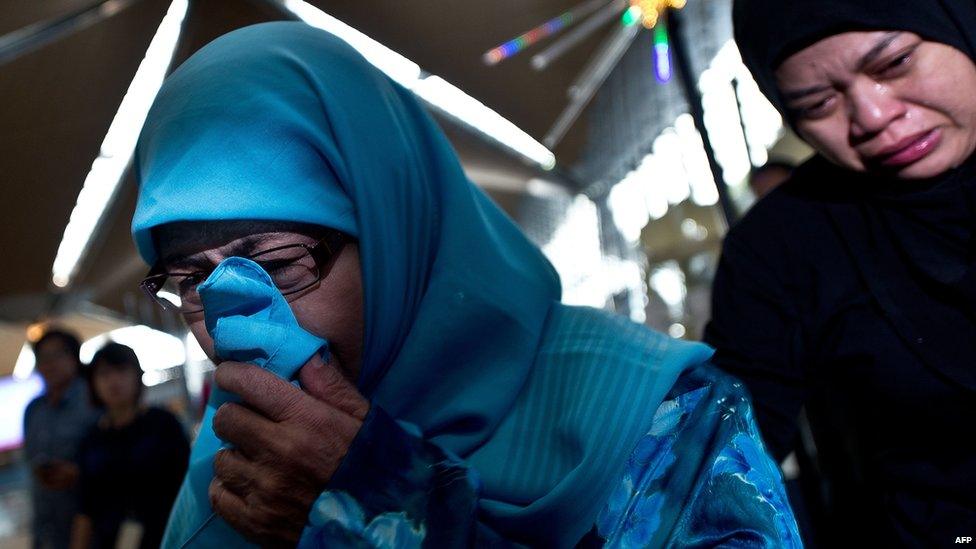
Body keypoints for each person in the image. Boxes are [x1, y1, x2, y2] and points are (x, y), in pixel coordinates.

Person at [131, 22, 800, 547]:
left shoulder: (660, 420)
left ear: (397, 232)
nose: (237, 324)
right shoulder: (232, 463)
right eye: (190, 280)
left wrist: (379, 508)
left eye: (276, 263)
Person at [705, 0, 976, 546]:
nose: (872, 117)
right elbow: (725, 459)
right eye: (817, 103)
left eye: (895, 63)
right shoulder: (783, 247)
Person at [69, 343, 189, 549]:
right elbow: (85, 508)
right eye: (104, 374)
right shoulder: (90, 439)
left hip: (169, 538)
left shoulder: (163, 424)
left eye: (122, 370)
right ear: (93, 384)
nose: (113, 380)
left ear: (137, 375)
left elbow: (188, 487)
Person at [23, 329, 99, 549]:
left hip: (87, 527)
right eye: (43, 357)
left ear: (74, 357)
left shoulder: (93, 398)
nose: (50, 363)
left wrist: (79, 473)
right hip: (45, 529)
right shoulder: (34, 410)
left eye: (58, 354)